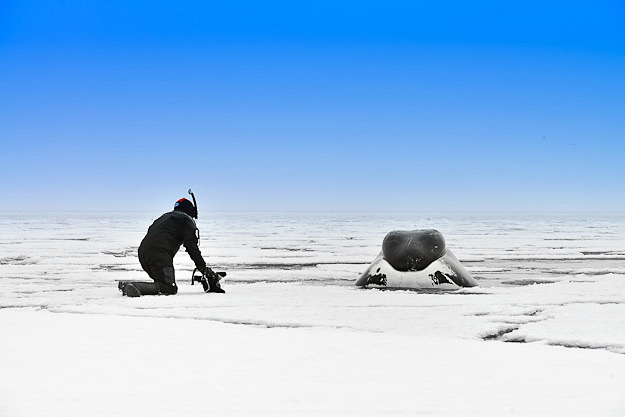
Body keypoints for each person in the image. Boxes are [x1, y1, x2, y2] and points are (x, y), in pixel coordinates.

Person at [118, 197, 225, 297]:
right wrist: (204, 269)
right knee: (168, 288)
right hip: (159, 254)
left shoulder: (164, 217)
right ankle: (133, 286)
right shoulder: (186, 220)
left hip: (143, 253)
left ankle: (129, 286)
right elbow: (192, 247)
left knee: (161, 282)